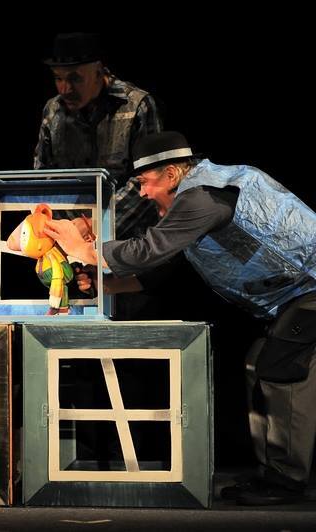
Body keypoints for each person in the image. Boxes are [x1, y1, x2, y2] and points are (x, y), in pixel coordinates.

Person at [45, 131, 316, 505]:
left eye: (145, 182)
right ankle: (273, 472)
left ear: (171, 174)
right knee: (259, 363)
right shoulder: (199, 199)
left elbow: (149, 249)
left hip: (309, 287)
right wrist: (107, 285)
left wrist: (85, 251)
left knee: (280, 369)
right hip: (293, 297)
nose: (143, 193)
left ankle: (286, 480)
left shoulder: (203, 195)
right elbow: (166, 269)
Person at [34, 32, 163, 241]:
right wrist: (62, 229)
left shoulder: (136, 105)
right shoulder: (53, 110)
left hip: (129, 241)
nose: (65, 89)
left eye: (75, 78)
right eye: (58, 78)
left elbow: (151, 179)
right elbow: (43, 176)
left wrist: (95, 225)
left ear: (98, 72)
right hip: (68, 238)